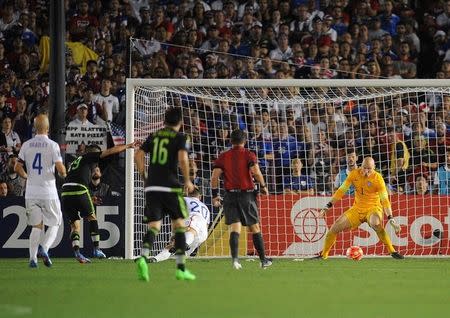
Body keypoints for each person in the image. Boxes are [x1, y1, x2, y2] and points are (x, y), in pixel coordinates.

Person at [134, 107, 195, 282]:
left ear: (164, 120)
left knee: (154, 226)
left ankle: (144, 257)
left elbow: (138, 155)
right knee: (180, 225)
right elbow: (183, 159)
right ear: (180, 122)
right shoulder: (181, 137)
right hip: (170, 187)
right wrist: (187, 180)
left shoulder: (154, 136)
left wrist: (144, 175)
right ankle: (181, 268)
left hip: (152, 187)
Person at [315, 157, 404, 260]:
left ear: (374, 167)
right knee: (334, 229)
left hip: (373, 208)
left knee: (375, 223)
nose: (366, 171)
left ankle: (392, 251)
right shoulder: (354, 174)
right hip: (357, 209)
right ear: (361, 166)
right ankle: (323, 255)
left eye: (369, 169)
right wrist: (327, 206)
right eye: (364, 168)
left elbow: (385, 200)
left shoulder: (378, 179)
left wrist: (391, 218)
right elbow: (341, 191)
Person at [62, 142, 136, 263]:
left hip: (65, 192)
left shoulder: (76, 163)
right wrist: (127, 146)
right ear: (93, 153)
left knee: (75, 226)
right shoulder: (89, 156)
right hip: (79, 189)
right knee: (92, 218)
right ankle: (96, 249)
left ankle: (77, 253)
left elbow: (76, 180)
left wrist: (89, 197)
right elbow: (111, 151)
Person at [211, 129, 272, 270]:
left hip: (230, 195)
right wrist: (263, 186)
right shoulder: (248, 154)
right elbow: (256, 172)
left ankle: (235, 260)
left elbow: (214, 177)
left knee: (235, 227)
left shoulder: (223, 156)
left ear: (231, 141)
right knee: (254, 227)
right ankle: (263, 260)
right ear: (244, 141)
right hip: (246, 195)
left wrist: (214, 195)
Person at [14, 114, 67, 268]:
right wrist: (64, 173)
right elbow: (60, 168)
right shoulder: (52, 145)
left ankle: (32, 259)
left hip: (31, 193)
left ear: (34, 128)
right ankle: (44, 248)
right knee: (56, 222)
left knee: (36, 226)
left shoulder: (26, 145)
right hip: (48, 192)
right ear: (48, 128)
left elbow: (17, 167)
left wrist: (27, 176)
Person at [149, 187, 210, 263]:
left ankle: (182, 245)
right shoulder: (206, 207)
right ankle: (155, 259)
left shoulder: (184, 199)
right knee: (179, 252)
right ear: (200, 197)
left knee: (186, 235)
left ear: (186, 192)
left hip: (193, 221)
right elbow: (206, 225)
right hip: (202, 234)